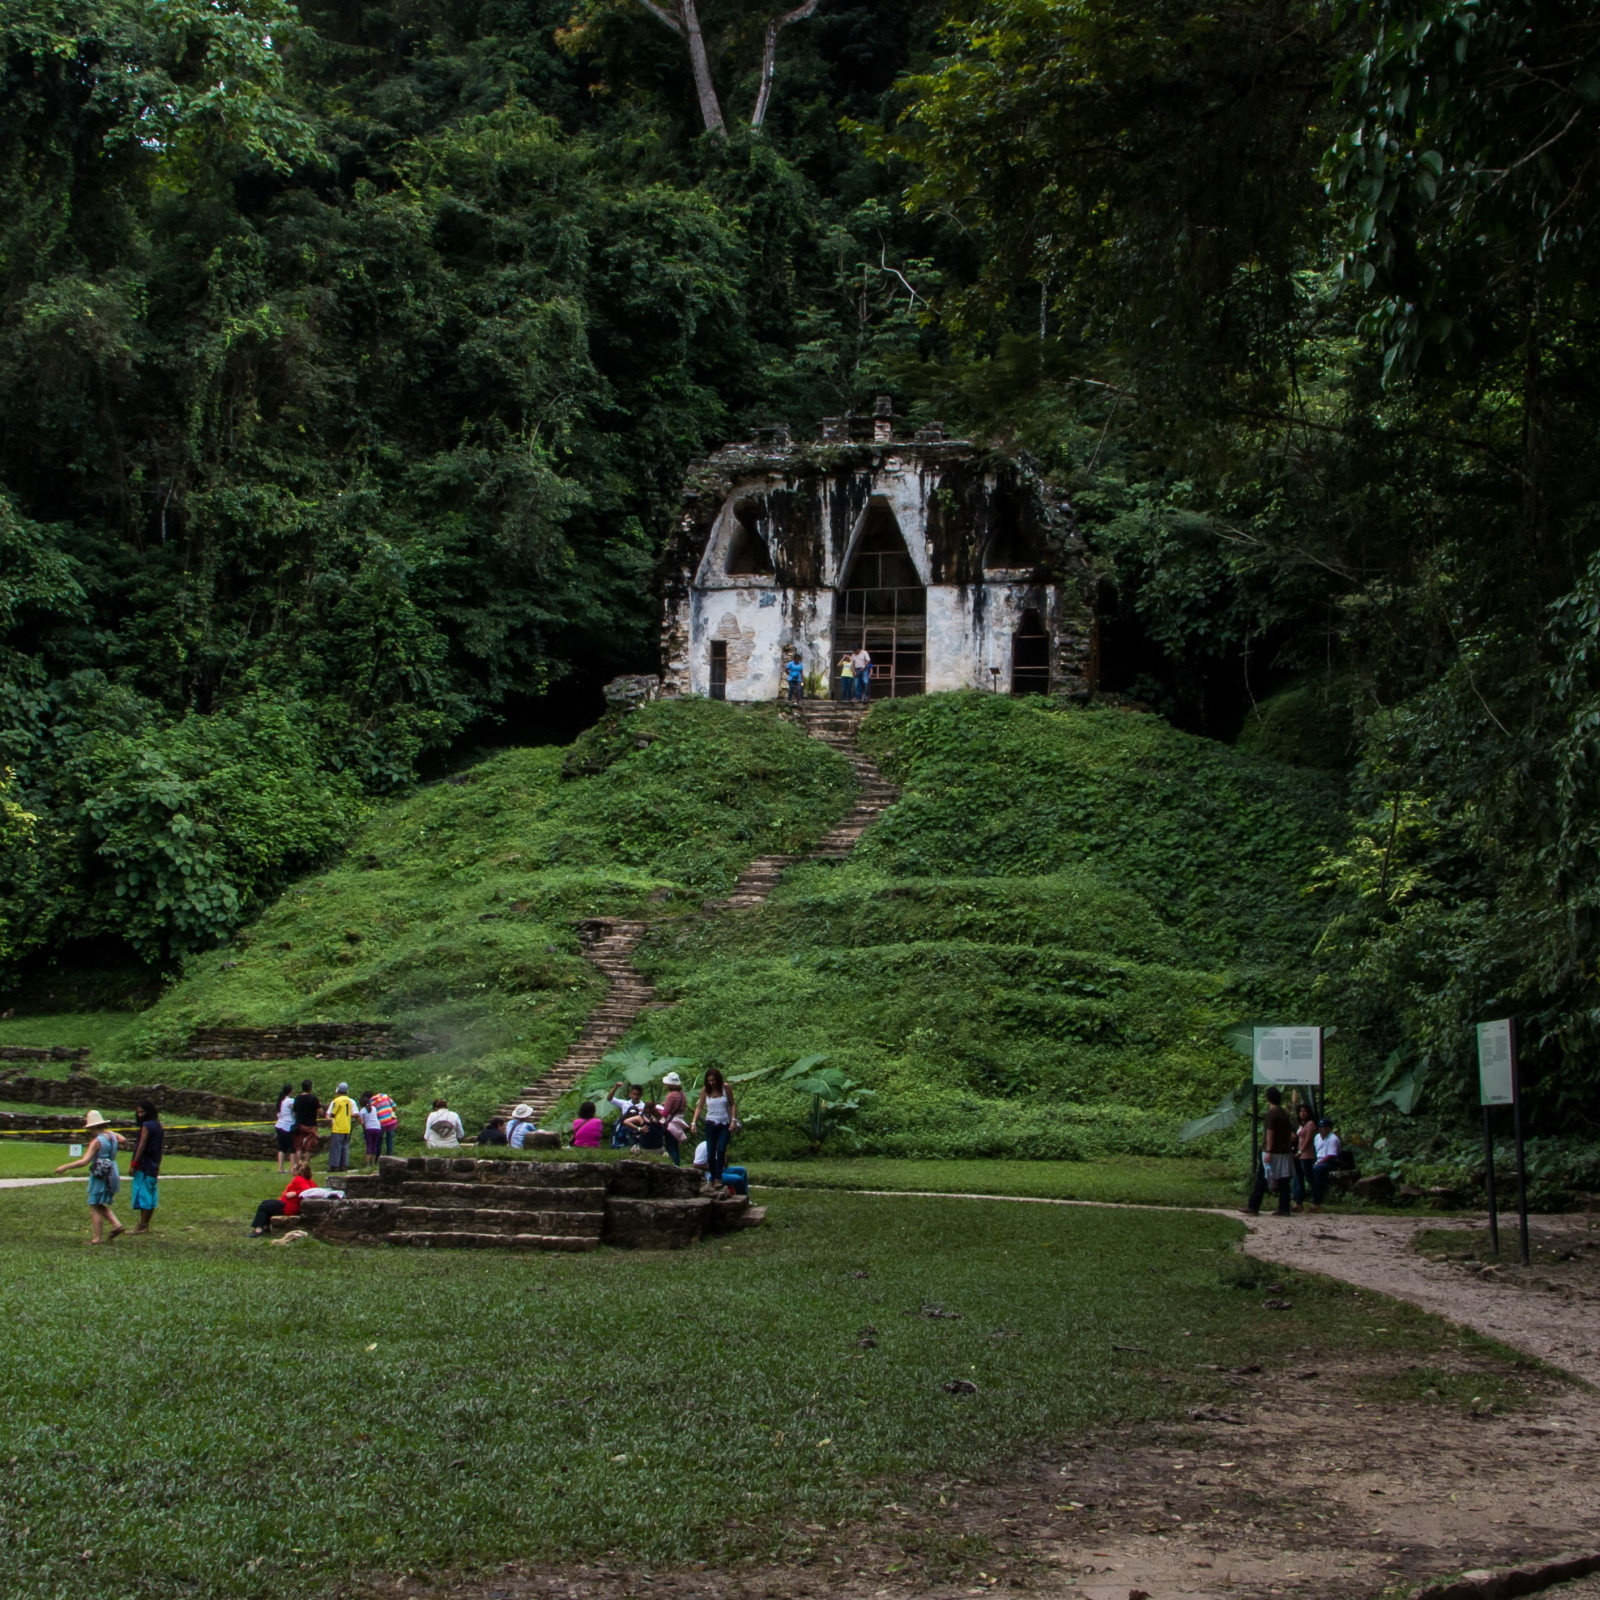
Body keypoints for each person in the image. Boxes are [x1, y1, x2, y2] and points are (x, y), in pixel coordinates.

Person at [54, 1110, 126, 1244]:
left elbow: (84, 1161)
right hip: (112, 1170)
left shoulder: (96, 1141)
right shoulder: (111, 1136)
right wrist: (110, 1132)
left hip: (100, 1172)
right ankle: (116, 1224)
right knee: (99, 1203)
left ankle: (97, 1238)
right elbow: (123, 1139)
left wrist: (65, 1167)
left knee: (94, 1204)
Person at [1245, 1086, 1295, 1217]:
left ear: (1268, 1098)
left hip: (1274, 1152)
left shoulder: (1271, 1113)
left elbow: (1270, 1133)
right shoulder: (1284, 1113)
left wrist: (1268, 1150)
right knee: (1284, 1180)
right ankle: (1284, 1207)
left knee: (1261, 1177)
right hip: (1284, 1151)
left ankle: (1253, 1205)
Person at [690, 1067, 739, 1189]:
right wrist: (694, 1122)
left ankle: (718, 1178)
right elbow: (700, 1107)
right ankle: (712, 1177)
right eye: (710, 1081)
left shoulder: (726, 1088)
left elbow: (732, 1104)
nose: (712, 1083)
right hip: (710, 1123)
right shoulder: (705, 1091)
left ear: (718, 1079)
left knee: (721, 1149)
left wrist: (733, 1120)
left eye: (714, 1080)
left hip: (724, 1123)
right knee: (711, 1152)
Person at [249, 1154, 315, 1236]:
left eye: (293, 1168)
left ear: (297, 1171)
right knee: (266, 1203)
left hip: (288, 1207)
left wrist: (295, 1193)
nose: (291, 1169)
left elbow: (308, 1191)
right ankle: (266, 1227)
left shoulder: (299, 1179)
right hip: (288, 1205)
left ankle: (258, 1230)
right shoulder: (310, 1181)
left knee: (264, 1206)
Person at [128, 1100, 164, 1233]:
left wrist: (134, 1164)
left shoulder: (146, 1126)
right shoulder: (158, 1125)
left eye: (142, 1112)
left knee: (144, 1195)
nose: (139, 1115)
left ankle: (142, 1225)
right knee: (150, 1193)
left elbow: (141, 1145)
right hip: (154, 1164)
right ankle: (144, 1224)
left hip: (144, 1165)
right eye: (137, 1112)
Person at [325, 1081, 358, 1174]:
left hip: (338, 1126)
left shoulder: (337, 1101)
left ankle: (335, 1165)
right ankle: (344, 1165)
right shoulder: (350, 1101)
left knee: (336, 1146)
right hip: (347, 1127)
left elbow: (333, 1113)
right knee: (345, 1146)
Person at [1310, 1116, 1342, 1211]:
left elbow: (1331, 1155)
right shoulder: (1317, 1137)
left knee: (1317, 1169)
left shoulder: (1333, 1139)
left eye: (1323, 1127)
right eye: (1320, 1127)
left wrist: (1318, 1163)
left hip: (1330, 1162)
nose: (1321, 1129)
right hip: (1319, 1160)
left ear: (1329, 1128)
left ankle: (1317, 1197)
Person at [660, 1071, 689, 1167]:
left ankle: (675, 1167)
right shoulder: (682, 1095)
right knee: (675, 1147)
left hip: (671, 1123)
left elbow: (665, 1113)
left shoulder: (671, 1095)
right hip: (679, 1122)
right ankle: (678, 1166)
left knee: (670, 1147)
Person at [1292, 1103, 1317, 1212]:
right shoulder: (1301, 1125)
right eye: (1301, 1111)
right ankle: (1298, 1203)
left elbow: (1308, 1140)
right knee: (1299, 1179)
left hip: (1307, 1155)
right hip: (1299, 1155)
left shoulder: (1310, 1124)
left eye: (1305, 1111)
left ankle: (1316, 1202)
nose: (1303, 1113)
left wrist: (1301, 1151)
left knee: (1310, 1178)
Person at [609, 1080, 647, 1149]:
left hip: (637, 1129)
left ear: (641, 1095)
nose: (635, 1096)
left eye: (638, 1094)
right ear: (630, 1094)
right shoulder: (624, 1103)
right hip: (624, 1129)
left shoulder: (644, 1106)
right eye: (634, 1094)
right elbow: (610, 1098)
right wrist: (616, 1087)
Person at [291, 1078, 322, 1155]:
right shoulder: (314, 1099)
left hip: (300, 1124)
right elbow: (320, 1112)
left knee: (299, 1146)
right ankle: (305, 1164)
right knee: (309, 1146)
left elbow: (294, 1112)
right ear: (310, 1087)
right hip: (311, 1125)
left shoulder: (298, 1098)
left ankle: (299, 1164)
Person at [273, 1082, 297, 1174]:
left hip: (279, 1125)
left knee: (282, 1148)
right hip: (287, 1125)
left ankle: (280, 1168)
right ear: (290, 1091)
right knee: (292, 1147)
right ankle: (292, 1168)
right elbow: (294, 1110)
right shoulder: (289, 1101)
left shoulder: (280, 1101)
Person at [369, 1089, 399, 1155]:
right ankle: (389, 1155)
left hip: (380, 1122)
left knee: (379, 1140)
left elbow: (372, 1113)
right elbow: (394, 1106)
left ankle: (378, 1156)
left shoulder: (372, 1101)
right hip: (391, 1120)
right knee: (389, 1138)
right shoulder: (385, 1096)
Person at [358, 1093, 383, 1168]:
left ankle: (367, 1163)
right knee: (375, 1145)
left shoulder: (362, 1111)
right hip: (378, 1128)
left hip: (369, 1128)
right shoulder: (374, 1108)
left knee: (369, 1145)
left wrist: (363, 1126)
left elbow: (362, 1122)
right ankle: (374, 1163)